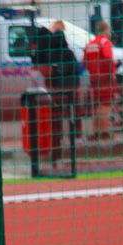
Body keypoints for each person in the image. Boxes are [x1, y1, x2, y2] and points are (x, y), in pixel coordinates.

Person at [41, 21, 81, 164]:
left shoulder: (50, 55)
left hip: (57, 90)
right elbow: (76, 71)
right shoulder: (69, 53)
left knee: (57, 116)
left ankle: (59, 139)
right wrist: (75, 85)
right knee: (73, 113)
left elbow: (49, 73)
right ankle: (76, 135)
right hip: (70, 90)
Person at [83, 21, 116, 141]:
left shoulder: (90, 43)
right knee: (106, 105)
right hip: (105, 78)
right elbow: (108, 57)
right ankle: (105, 132)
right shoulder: (105, 42)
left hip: (94, 78)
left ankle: (96, 131)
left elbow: (84, 63)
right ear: (106, 30)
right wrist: (111, 72)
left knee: (97, 105)